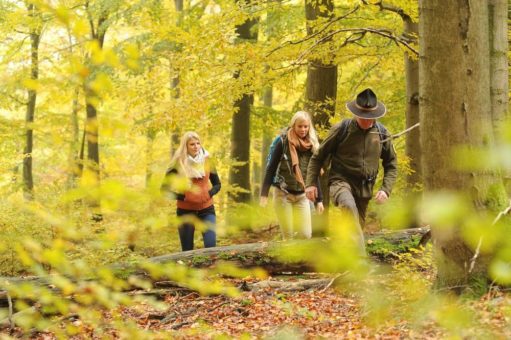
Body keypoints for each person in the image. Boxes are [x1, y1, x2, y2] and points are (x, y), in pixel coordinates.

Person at [305, 88, 397, 253]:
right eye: (364, 118)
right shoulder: (342, 129)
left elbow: (391, 163)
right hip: (341, 181)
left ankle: (346, 267)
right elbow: (318, 157)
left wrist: (386, 189)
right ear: (356, 114)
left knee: (354, 230)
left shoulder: (382, 133)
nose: (368, 122)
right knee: (348, 206)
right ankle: (362, 263)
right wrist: (310, 183)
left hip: (365, 189)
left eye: (371, 118)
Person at [260, 111, 324, 239]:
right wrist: (264, 195)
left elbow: (313, 174)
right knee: (288, 236)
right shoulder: (283, 142)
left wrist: (319, 200)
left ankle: (300, 258)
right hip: (283, 194)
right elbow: (270, 169)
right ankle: (288, 257)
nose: (303, 129)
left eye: (306, 126)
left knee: (306, 235)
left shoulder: (311, 145)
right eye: (300, 126)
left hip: (302, 195)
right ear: (294, 125)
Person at [162, 131, 221, 251]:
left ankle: (209, 270)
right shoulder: (178, 164)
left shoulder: (207, 160)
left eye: (198, 143)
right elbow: (164, 190)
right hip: (185, 212)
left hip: (207, 210)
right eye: (192, 144)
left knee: (211, 248)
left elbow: (217, 184)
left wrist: (208, 194)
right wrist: (183, 197)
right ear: (186, 146)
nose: (196, 146)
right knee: (187, 251)